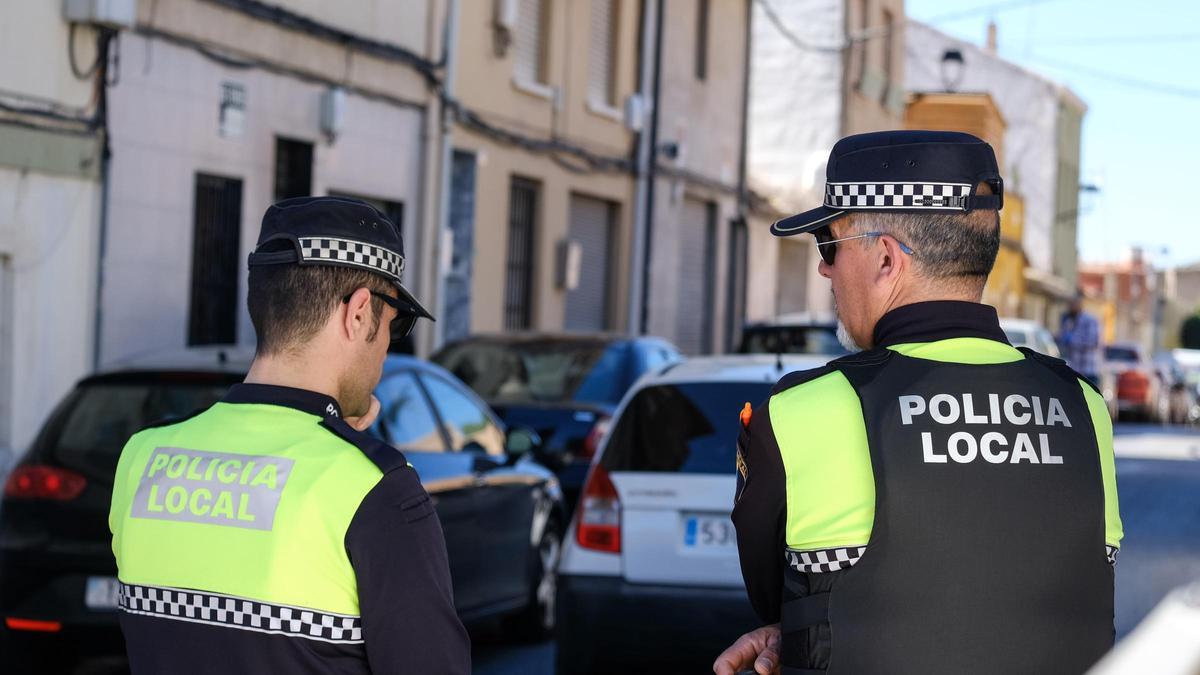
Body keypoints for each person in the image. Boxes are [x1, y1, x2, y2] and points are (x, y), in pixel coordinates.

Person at [714, 131, 1121, 675]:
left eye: (829, 245)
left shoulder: (802, 412)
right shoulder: (1084, 410)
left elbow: (777, 602)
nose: (825, 270)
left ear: (885, 259)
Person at [108, 196, 470, 674]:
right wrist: (349, 453)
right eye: (394, 322)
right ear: (359, 312)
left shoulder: (141, 459)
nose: (387, 344)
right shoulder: (377, 491)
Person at [1059, 292, 1103, 386]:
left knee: (1089, 400)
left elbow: (1092, 342)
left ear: (1079, 305)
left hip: (1089, 371)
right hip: (1075, 370)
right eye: (1069, 305)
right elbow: (1063, 341)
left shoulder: (1089, 320)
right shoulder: (1069, 321)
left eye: (1072, 304)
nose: (1070, 307)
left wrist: (1072, 340)